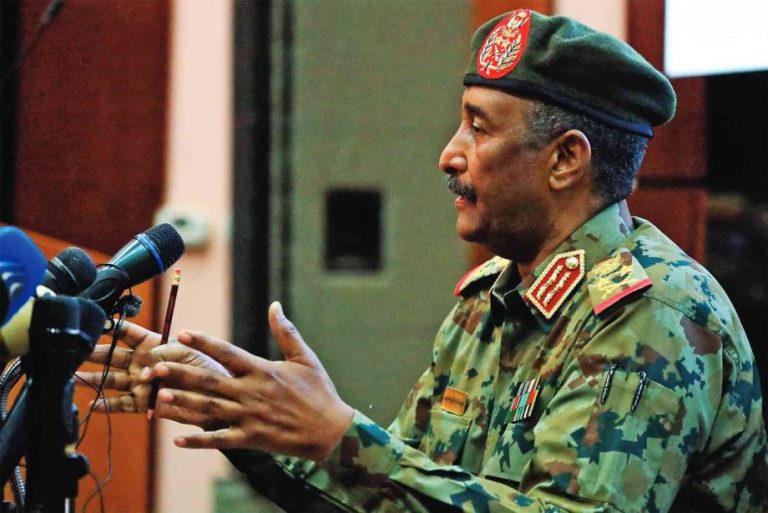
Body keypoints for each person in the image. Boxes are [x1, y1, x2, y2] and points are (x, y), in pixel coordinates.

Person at [78, 10, 768, 513]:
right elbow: (396, 496)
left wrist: (338, 435)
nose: (449, 154)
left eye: (478, 126)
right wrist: (241, 412)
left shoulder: (651, 312)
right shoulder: (489, 298)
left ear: (565, 160)